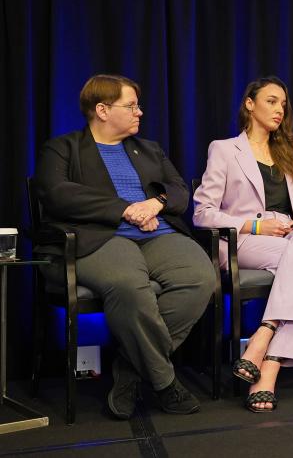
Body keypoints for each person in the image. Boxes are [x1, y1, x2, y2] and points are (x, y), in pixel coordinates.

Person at [34, 74, 215, 419]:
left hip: (158, 234)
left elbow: (179, 190)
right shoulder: (64, 148)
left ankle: (131, 368)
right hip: (100, 239)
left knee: (201, 277)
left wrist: (156, 204)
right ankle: (164, 382)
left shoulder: (149, 149)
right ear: (102, 110)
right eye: (131, 105)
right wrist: (125, 208)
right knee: (131, 287)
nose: (140, 112)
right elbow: (56, 193)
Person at [193, 76, 293, 412]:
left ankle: (265, 350)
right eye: (271, 101)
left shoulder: (292, 152)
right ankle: (269, 354)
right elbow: (203, 214)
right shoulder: (224, 149)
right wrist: (256, 224)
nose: (279, 109)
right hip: (244, 241)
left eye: (283, 104)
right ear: (250, 104)